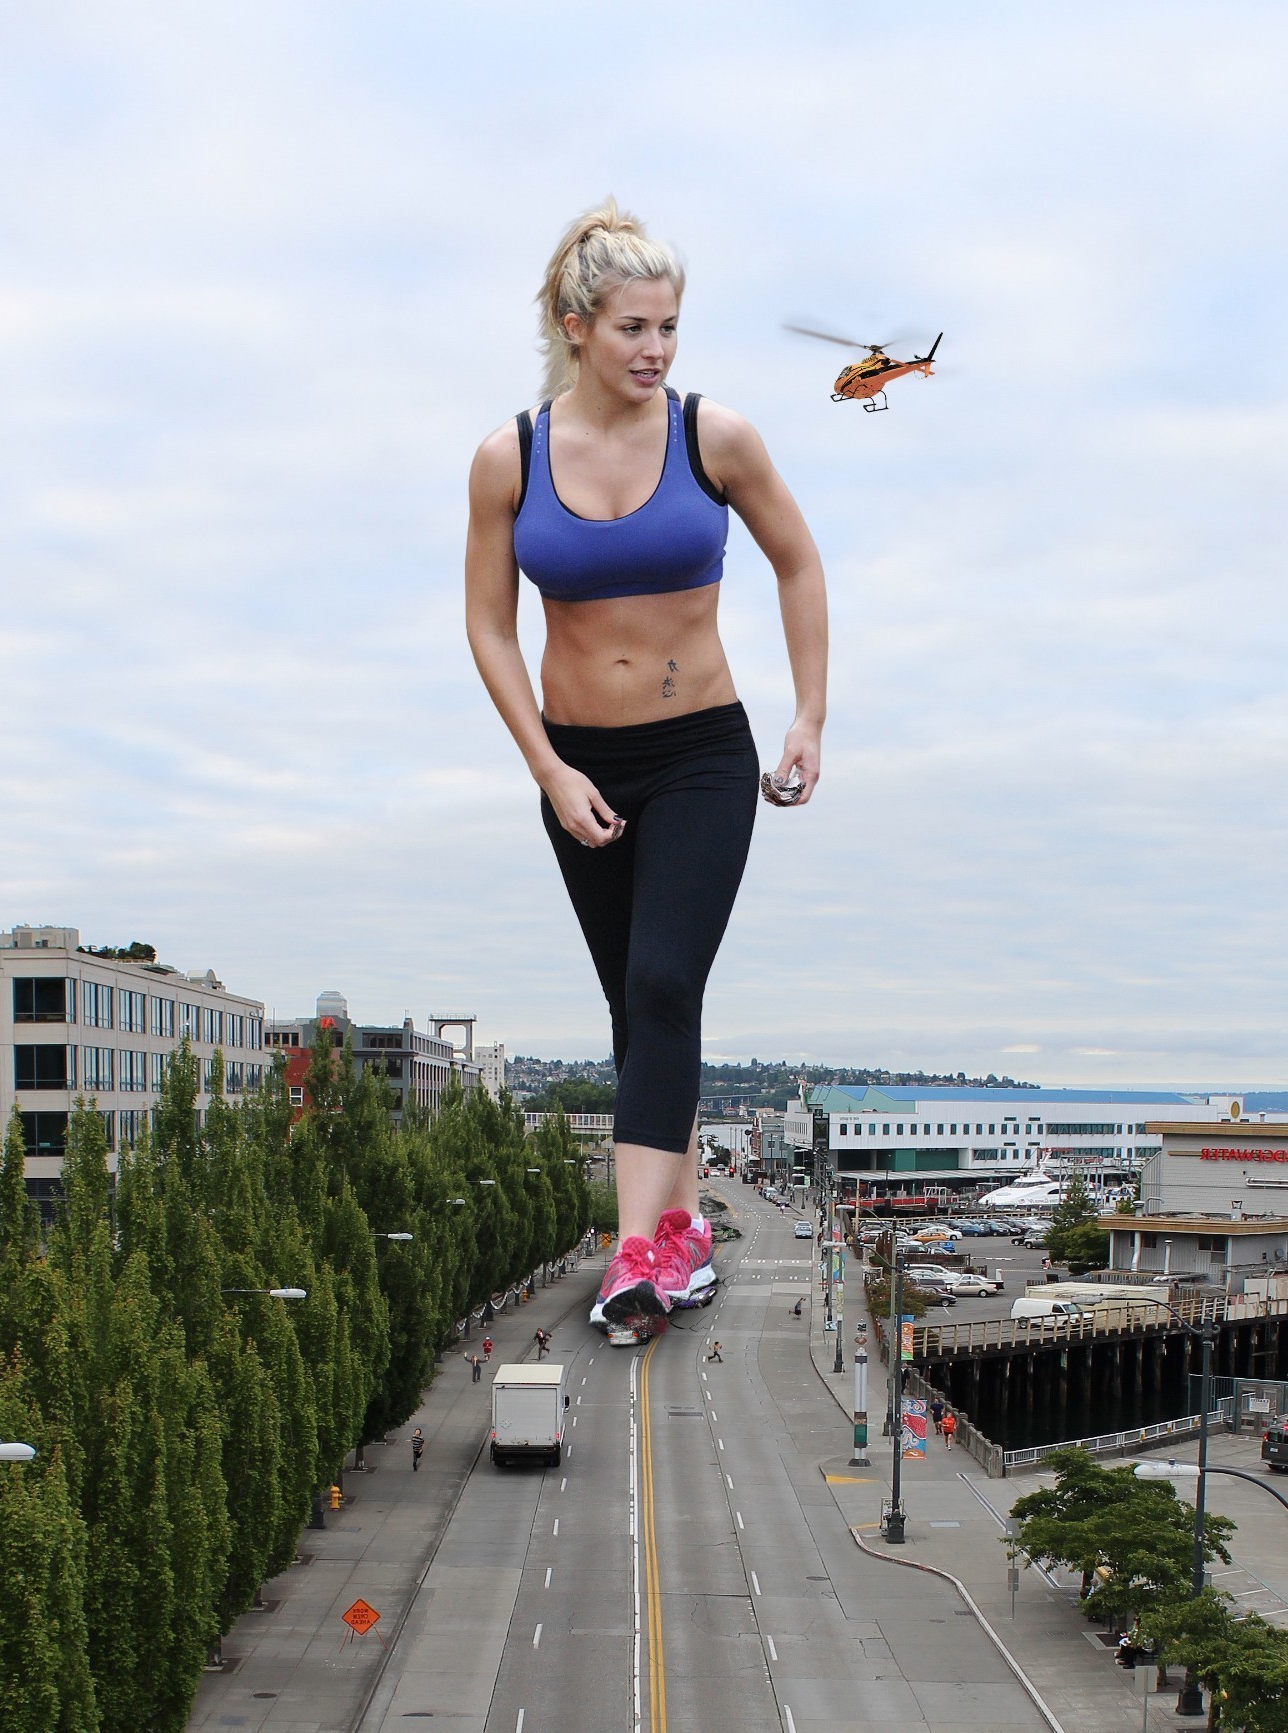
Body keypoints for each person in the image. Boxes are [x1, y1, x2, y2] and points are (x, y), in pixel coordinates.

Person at [465, 200, 827, 1336]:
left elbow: (798, 563)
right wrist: (547, 770)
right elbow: (487, 627)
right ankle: (684, 1230)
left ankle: (634, 1253)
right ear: (576, 325)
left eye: (669, 325)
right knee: (635, 1005)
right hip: (579, 763)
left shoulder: (714, 436)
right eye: (633, 327)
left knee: (667, 982)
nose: (656, 349)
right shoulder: (507, 458)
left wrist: (809, 713)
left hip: (701, 752)